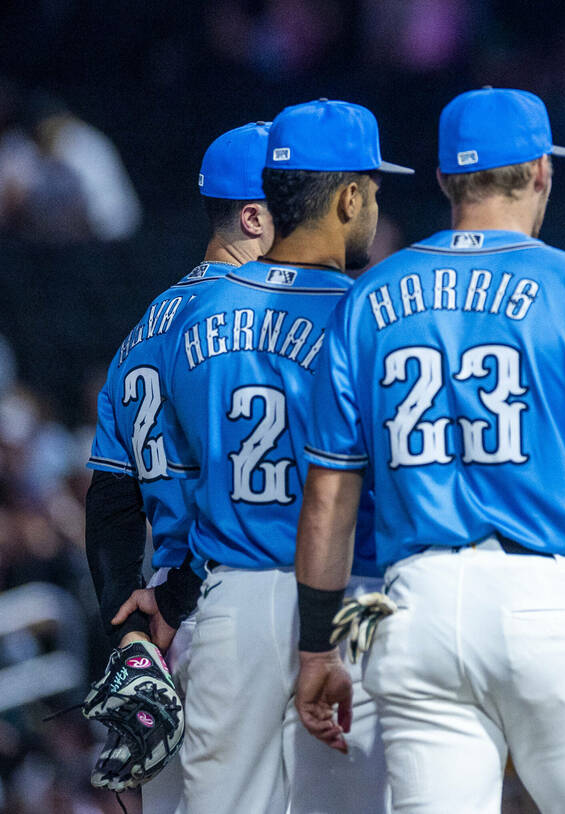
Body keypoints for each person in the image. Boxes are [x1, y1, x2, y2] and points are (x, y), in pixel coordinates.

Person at [291, 86, 565, 814]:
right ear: (542, 174)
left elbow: (331, 496)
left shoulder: (370, 297)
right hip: (548, 602)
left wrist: (315, 649)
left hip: (415, 607)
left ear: (443, 182)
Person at [150, 99, 411, 813]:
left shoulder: (193, 312)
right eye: (374, 188)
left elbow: (172, 477)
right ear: (349, 195)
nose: (376, 203)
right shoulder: (372, 315)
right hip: (346, 594)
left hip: (229, 598)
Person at [84, 120, 273, 812]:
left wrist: (131, 640)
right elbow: (233, 492)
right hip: (239, 594)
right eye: (298, 198)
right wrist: (174, 599)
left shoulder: (143, 329)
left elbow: (109, 506)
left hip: (170, 626)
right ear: (253, 216)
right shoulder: (258, 317)